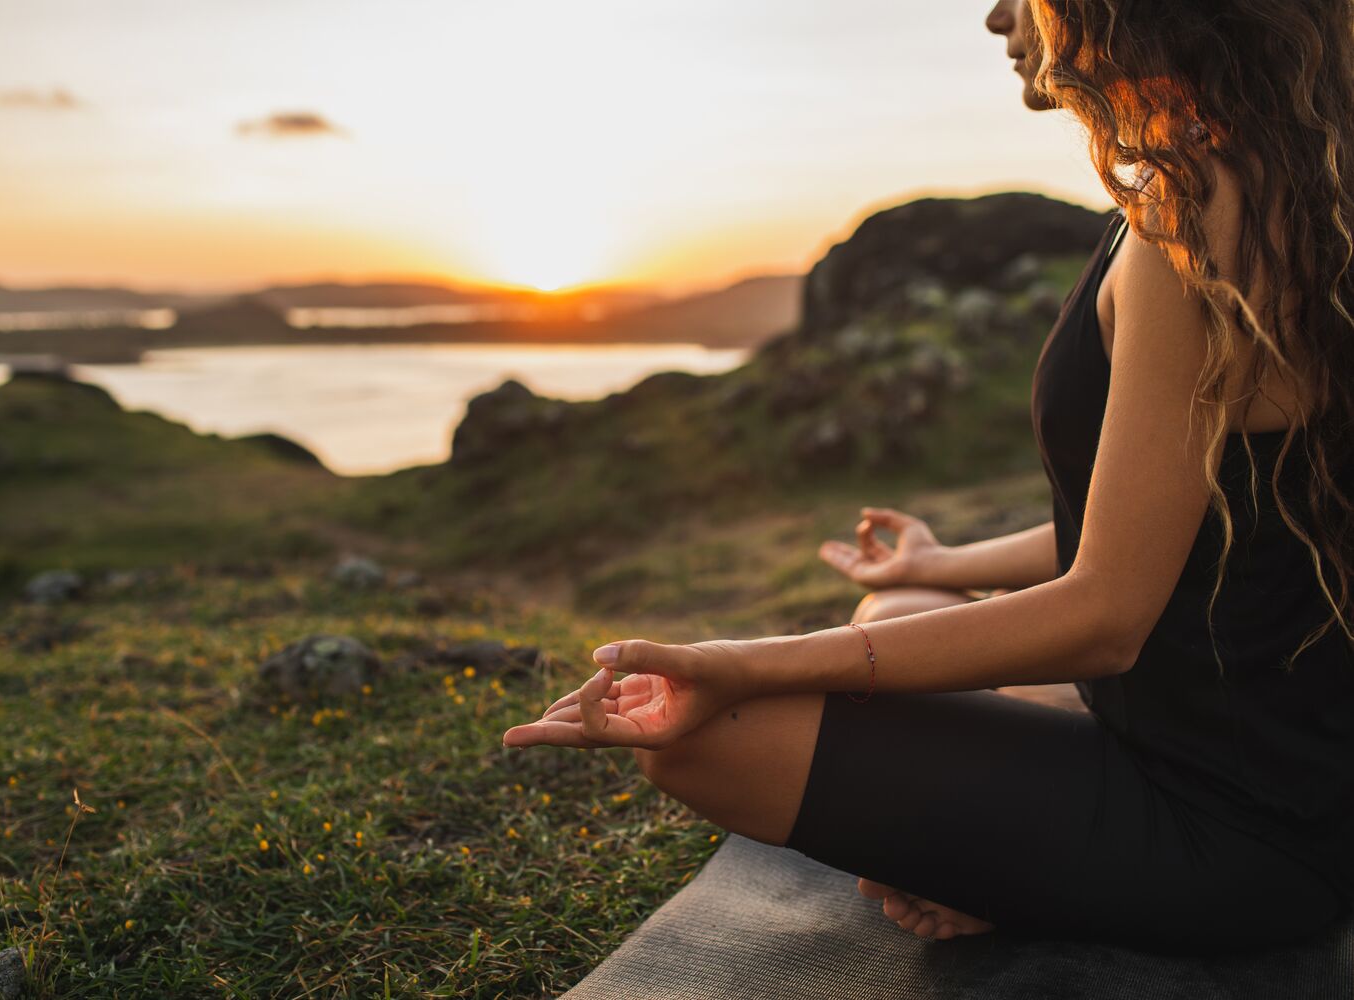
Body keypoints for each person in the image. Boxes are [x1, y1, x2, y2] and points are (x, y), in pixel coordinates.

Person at [501, 0, 1354, 953]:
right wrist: (945, 561)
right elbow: (1166, 524)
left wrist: (735, 660)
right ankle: (1020, 856)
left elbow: (1107, 617)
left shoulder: (1206, 217)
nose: (996, 16)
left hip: (1248, 825)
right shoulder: (1244, 183)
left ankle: (1027, 881)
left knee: (711, 728)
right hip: (1200, 734)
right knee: (901, 611)